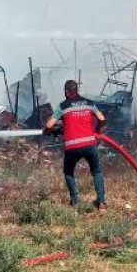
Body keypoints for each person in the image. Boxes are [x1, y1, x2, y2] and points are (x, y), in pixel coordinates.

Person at [44, 80, 107, 210]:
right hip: (90, 144)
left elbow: (49, 125)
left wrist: (49, 131)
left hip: (72, 147)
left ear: (66, 91)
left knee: (68, 172)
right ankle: (101, 202)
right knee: (96, 171)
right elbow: (101, 118)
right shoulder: (89, 103)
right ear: (77, 90)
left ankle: (76, 201)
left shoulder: (63, 106)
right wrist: (97, 130)